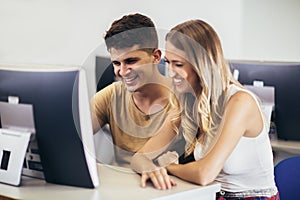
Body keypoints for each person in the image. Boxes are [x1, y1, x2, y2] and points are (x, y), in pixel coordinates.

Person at [131, 19, 279, 199]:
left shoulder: (240, 102)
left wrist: (167, 166)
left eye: (178, 64)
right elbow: (139, 157)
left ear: (202, 64)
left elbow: (205, 174)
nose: (170, 73)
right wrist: (150, 166)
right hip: (212, 195)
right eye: (168, 62)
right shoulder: (186, 101)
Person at [90, 13, 182, 167]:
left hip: (166, 187)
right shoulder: (112, 94)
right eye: (116, 63)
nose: (123, 71)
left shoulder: (182, 98)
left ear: (156, 57)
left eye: (131, 61)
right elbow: (71, 136)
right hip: (120, 185)